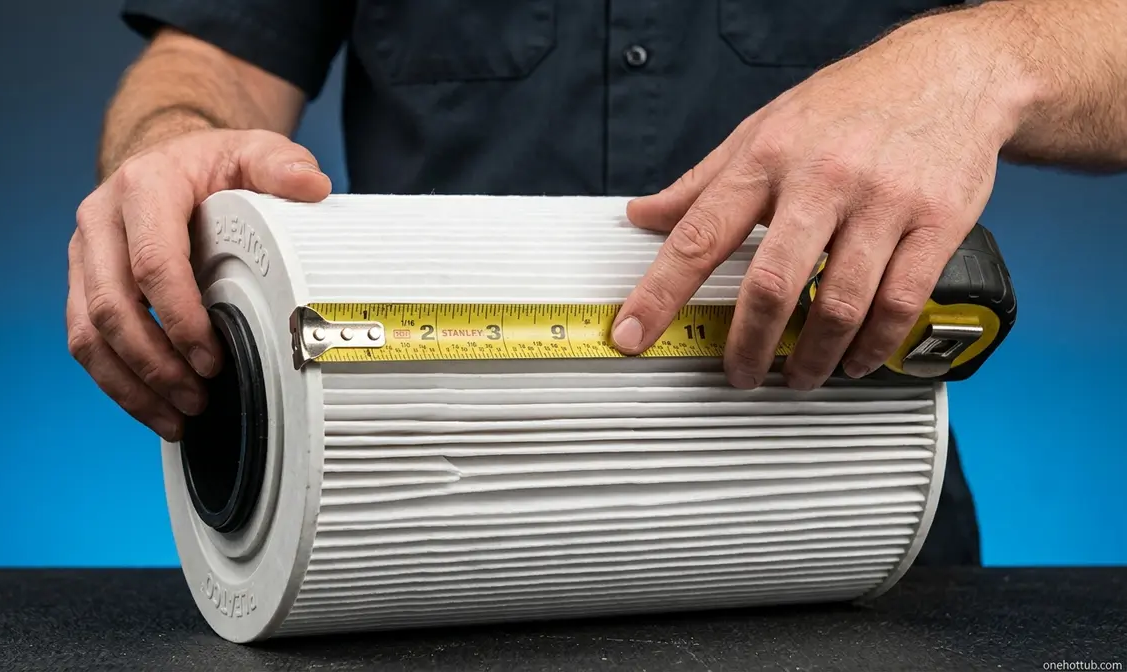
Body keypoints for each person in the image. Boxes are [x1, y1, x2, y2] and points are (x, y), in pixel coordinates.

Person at [68, 1, 1127, 567]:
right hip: (402, 537)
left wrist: (978, 59)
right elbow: (209, 57)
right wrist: (170, 145)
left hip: (838, 525)